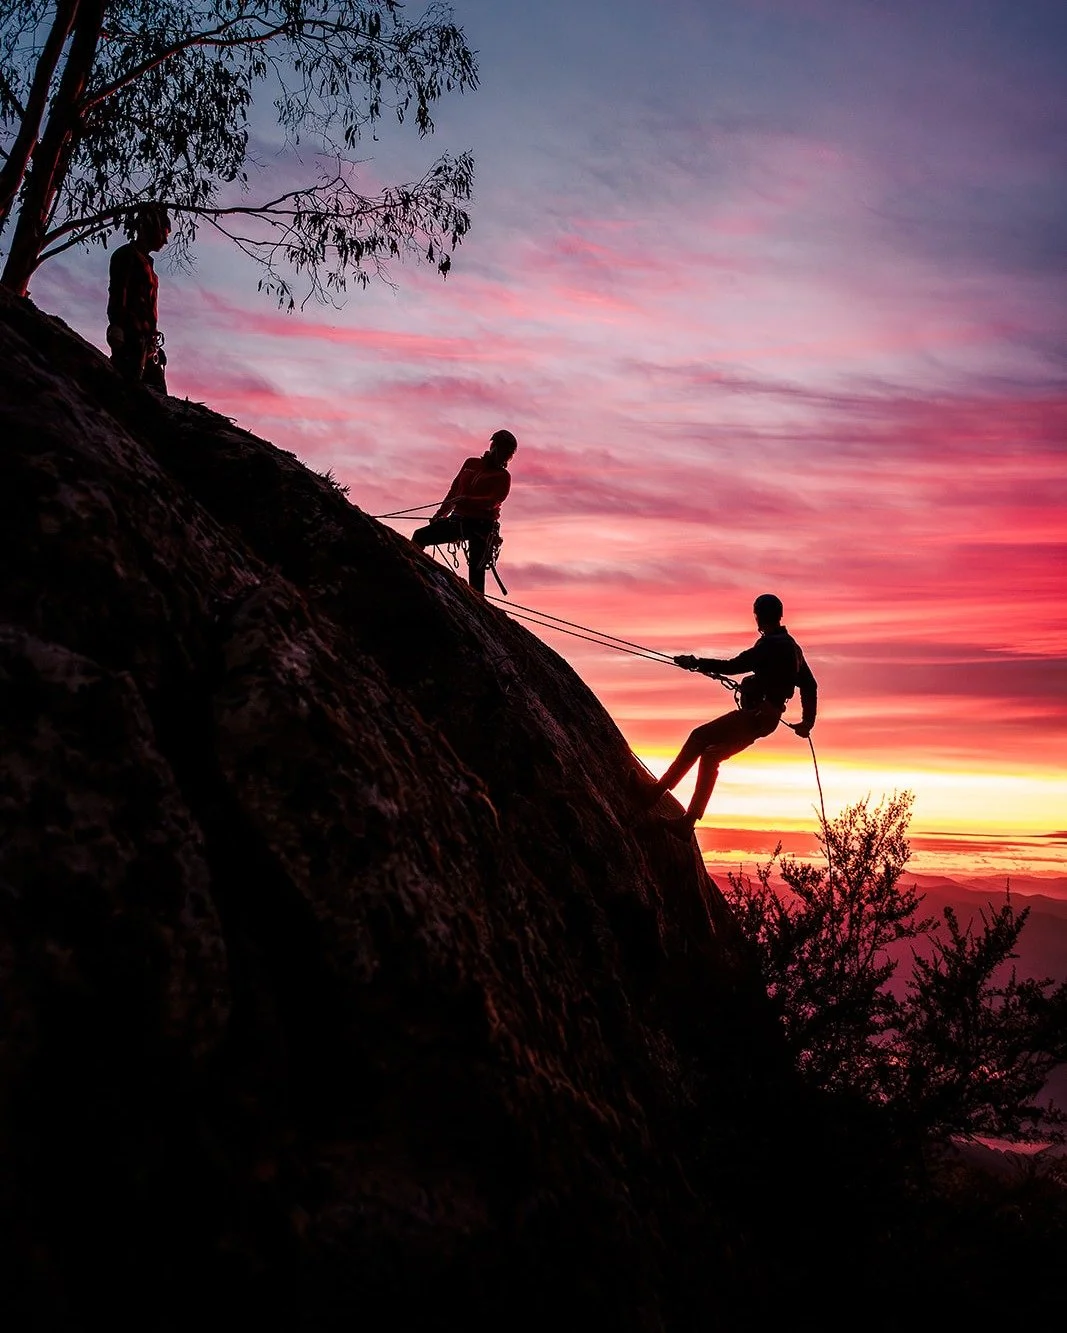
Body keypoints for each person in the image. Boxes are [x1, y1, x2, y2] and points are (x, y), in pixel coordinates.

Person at [633, 593, 817, 840]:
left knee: (699, 737)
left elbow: (734, 665)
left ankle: (653, 795)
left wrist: (696, 662)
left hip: (756, 715)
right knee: (710, 757)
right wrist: (807, 722)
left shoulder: (770, 644)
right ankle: (687, 824)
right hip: (766, 718)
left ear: (760, 616)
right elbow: (810, 685)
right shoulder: (793, 648)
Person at [413, 430, 518, 594]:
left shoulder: (503, 476)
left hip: (481, 526)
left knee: (476, 577)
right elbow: (454, 492)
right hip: (459, 521)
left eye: (508, 453)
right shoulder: (471, 464)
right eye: (503, 451)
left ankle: (478, 606)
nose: (505, 456)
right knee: (420, 536)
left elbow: (493, 501)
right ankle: (414, 578)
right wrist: (440, 514)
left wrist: (466, 499)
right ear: (493, 447)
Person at [107, 202, 171, 391]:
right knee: (128, 388)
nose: (165, 241)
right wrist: (117, 325)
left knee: (157, 392)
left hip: (147, 342)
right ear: (151, 228)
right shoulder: (125, 256)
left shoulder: (149, 267)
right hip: (130, 337)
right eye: (164, 234)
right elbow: (118, 291)